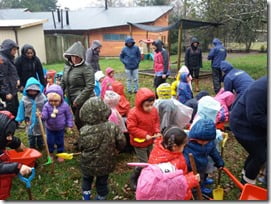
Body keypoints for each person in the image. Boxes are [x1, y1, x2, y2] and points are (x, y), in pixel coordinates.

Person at [78, 97, 126, 200]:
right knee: (102, 181)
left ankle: (86, 196)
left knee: (87, 179)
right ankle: (101, 197)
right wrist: (118, 149)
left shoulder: (83, 130)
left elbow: (81, 146)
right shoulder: (112, 127)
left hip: (88, 163)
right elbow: (122, 141)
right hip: (106, 162)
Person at [230, 76, 267, 185]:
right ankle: (247, 182)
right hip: (242, 125)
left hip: (255, 125)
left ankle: (245, 173)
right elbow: (254, 116)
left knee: (258, 151)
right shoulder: (260, 90)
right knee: (261, 155)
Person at [146, 127, 199, 200]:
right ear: (175, 146)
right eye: (183, 146)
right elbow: (172, 186)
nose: (184, 148)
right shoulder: (167, 165)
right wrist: (192, 179)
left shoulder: (161, 150)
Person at [126, 88, 161, 190]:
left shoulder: (154, 110)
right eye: (147, 106)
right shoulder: (133, 113)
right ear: (140, 104)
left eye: (151, 104)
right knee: (144, 162)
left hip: (150, 140)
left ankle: (147, 177)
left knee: (151, 160)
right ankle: (134, 178)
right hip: (139, 142)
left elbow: (156, 122)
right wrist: (144, 135)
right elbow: (131, 128)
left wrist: (156, 130)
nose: (150, 108)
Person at [184, 119, 224, 195]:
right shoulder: (187, 142)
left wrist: (219, 162)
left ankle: (204, 181)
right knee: (196, 179)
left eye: (206, 141)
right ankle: (199, 188)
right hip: (190, 167)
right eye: (201, 140)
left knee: (203, 175)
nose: (204, 142)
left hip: (203, 165)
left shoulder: (209, 143)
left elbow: (214, 152)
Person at [61, 41, 95, 130]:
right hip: (71, 98)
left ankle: (86, 138)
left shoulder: (86, 68)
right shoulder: (67, 67)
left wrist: (79, 100)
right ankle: (82, 137)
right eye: (73, 56)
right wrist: (58, 93)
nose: (75, 59)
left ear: (81, 57)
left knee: (81, 120)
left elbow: (90, 86)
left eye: (77, 57)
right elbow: (63, 82)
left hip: (83, 99)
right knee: (78, 121)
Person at [0, 111, 32, 200]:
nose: (10, 137)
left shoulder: (3, 138)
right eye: (8, 135)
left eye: (11, 134)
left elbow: (9, 139)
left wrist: (16, 143)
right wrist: (17, 167)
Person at [41, 84, 74, 162]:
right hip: (50, 128)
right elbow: (45, 116)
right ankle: (51, 153)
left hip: (60, 128)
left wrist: (69, 125)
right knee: (50, 141)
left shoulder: (65, 106)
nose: (53, 103)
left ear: (61, 98)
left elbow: (69, 116)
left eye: (56, 101)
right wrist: (42, 116)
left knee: (60, 141)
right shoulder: (46, 106)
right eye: (50, 101)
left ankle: (60, 153)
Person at [15, 77, 46, 150]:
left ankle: (40, 145)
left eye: (34, 90)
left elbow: (46, 107)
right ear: (27, 89)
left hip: (40, 120)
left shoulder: (42, 98)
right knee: (31, 135)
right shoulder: (24, 99)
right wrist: (19, 119)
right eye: (30, 90)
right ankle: (32, 147)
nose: (32, 92)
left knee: (40, 134)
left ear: (37, 89)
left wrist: (46, 115)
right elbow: (21, 109)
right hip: (29, 120)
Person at [0, 39, 20, 117]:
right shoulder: (2, 60)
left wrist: (17, 79)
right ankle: (10, 124)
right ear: (8, 49)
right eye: (14, 49)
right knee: (11, 107)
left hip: (13, 87)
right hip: (8, 89)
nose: (15, 52)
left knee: (15, 105)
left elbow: (13, 71)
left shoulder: (9, 58)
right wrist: (6, 92)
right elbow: (2, 77)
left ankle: (16, 122)